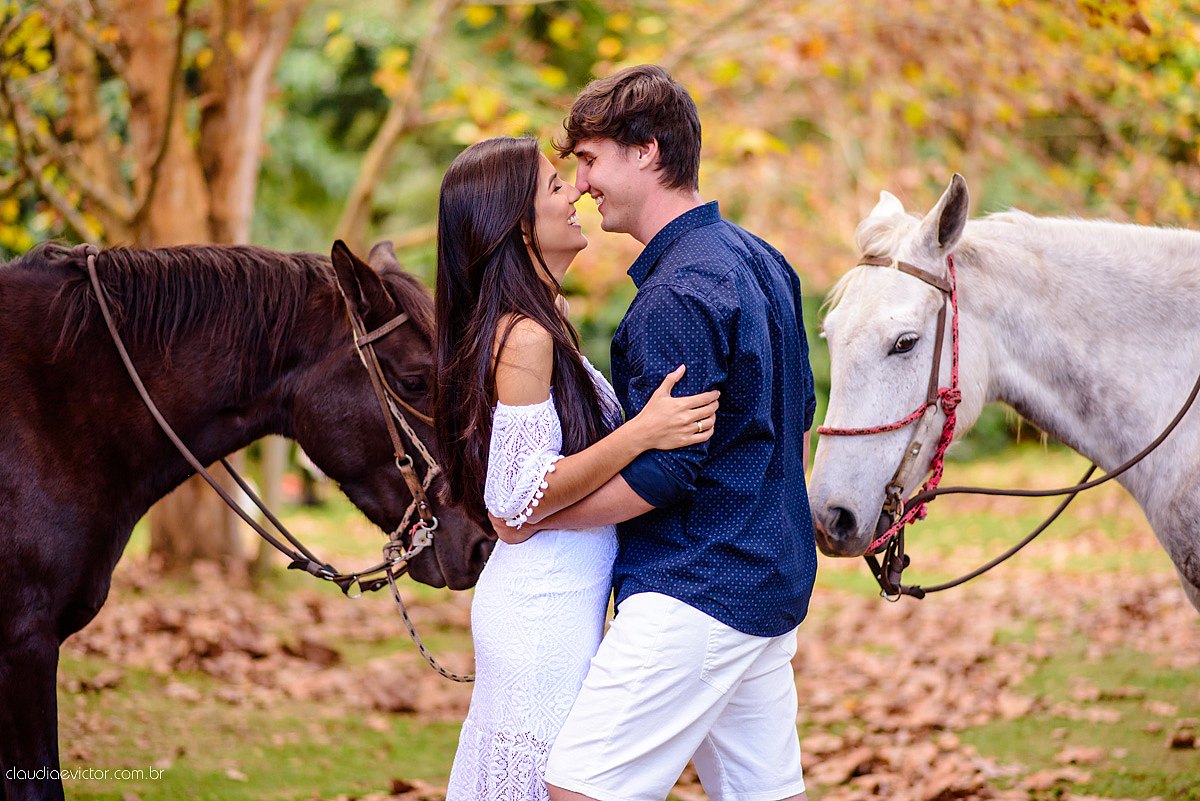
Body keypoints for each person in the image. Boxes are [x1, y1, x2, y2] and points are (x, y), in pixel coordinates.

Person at [493, 65, 819, 801]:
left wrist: (539, 513)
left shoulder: (676, 292)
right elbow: (795, 426)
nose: (580, 185)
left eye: (589, 159)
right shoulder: (766, 261)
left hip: (694, 588)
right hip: (769, 582)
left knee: (578, 789)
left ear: (645, 151)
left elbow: (666, 473)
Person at [432, 135, 721, 801]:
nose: (576, 194)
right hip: (542, 611)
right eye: (555, 187)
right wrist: (644, 432)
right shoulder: (525, 338)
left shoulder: (543, 322)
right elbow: (515, 498)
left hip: (560, 599)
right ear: (516, 224)